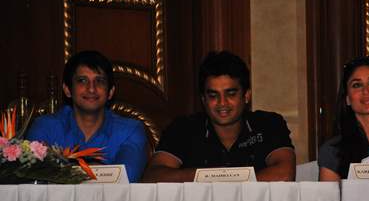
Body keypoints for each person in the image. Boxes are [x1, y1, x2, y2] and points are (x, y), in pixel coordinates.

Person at [142, 50, 296, 182]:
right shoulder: (184, 128)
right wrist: (211, 177)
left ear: (246, 96)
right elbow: (152, 177)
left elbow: (284, 174)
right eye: (213, 95)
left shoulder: (269, 124)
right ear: (203, 100)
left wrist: (216, 181)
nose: (222, 103)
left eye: (231, 93)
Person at [26, 50, 148, 182]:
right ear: (67, 89)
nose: (91, 89)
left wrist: (68, 170)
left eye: (99, 81)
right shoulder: (45, 127)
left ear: (110, 92)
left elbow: (127, 177)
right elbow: (34, 176)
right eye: (82, 81)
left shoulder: (130, 131)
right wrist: (94, 171)